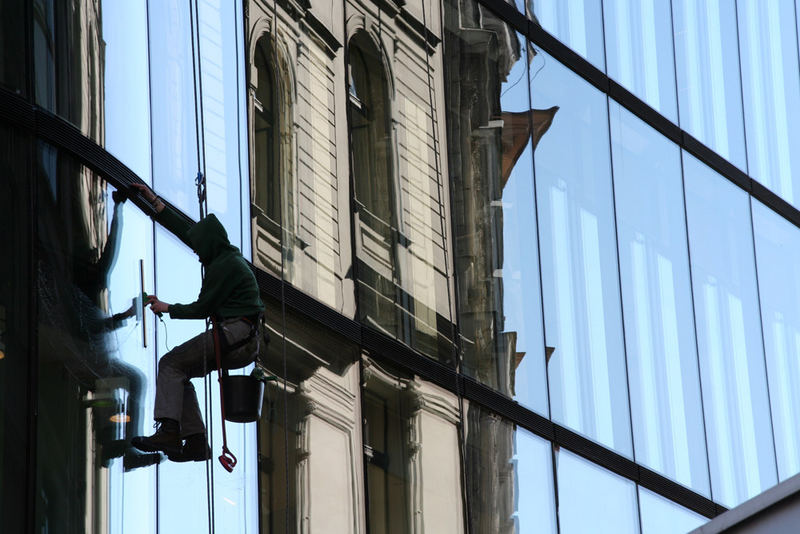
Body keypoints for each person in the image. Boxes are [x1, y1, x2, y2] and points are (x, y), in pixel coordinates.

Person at [130, 183, 264, 461]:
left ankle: (169, 429)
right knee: (179, 374)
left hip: (237, 335)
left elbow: (202, 308)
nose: (197, 253)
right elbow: (187, 234)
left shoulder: (225, 266)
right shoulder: (223, 255)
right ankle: (195, 441)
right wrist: (154, 201)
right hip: (242, 338)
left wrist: (166, 307)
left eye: (200, 249)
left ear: (210, 246)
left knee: (169, 364)